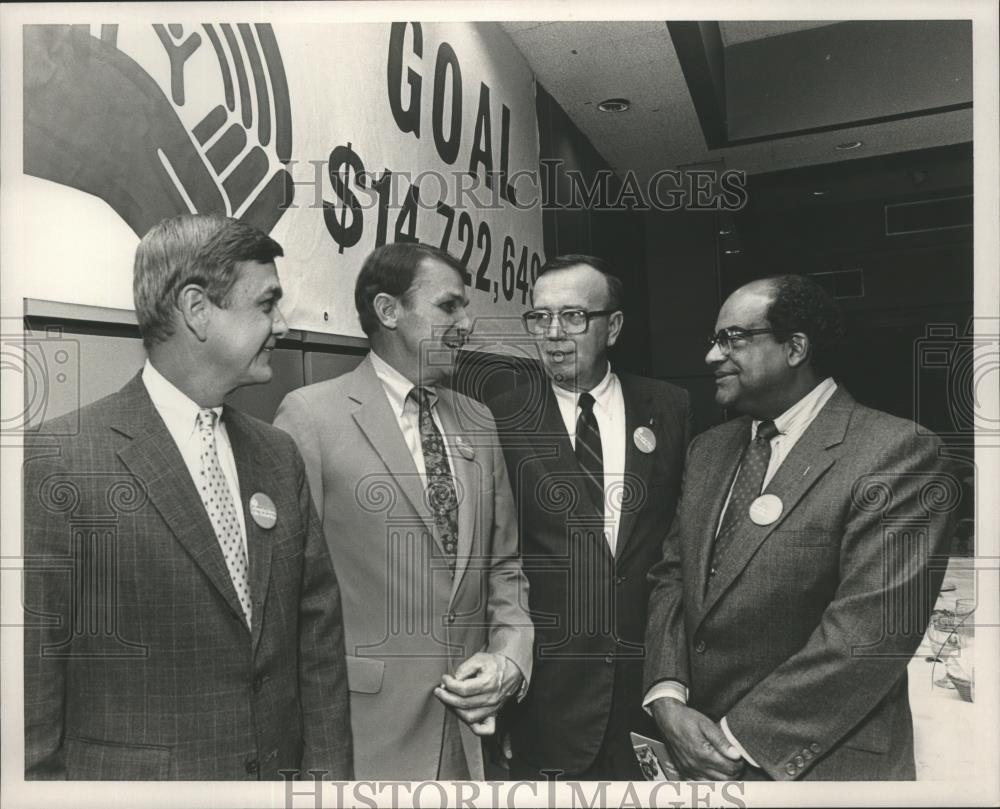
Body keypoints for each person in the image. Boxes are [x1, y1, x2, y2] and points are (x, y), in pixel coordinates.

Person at [23, 214, 353, 780]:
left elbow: (317, 640)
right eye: (266, 303)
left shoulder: (277, 454)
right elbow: (31, 677)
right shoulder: (61, 458)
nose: (281, 324)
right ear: (198, 310)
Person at [643, 275, 957, 781]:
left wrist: (735, 739)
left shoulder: (897, 453)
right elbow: (673, 577)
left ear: (795, 348)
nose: (711, 357)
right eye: (713, 341)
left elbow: (870, 636)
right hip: (693, 751)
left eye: (732, 339)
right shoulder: (708, 450)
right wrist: (667, 695)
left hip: (819, 763)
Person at [273, 242, 533, 781]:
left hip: (469, 736)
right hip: (362, 739)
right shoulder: (311, 418)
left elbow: (504, 568)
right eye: (449, 306)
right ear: (389, 310)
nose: (467, 322)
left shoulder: (480, 421)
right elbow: (286, 590)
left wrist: (510, 656)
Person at [489, 255, 691, 780]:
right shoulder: (501, 418)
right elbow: (494, 563)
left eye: (573, 316)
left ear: (614, 326)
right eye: (540, 317)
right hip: (547, 702)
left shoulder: (670, 408)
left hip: (649, 693)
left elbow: (680, 548)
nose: (553, 334)